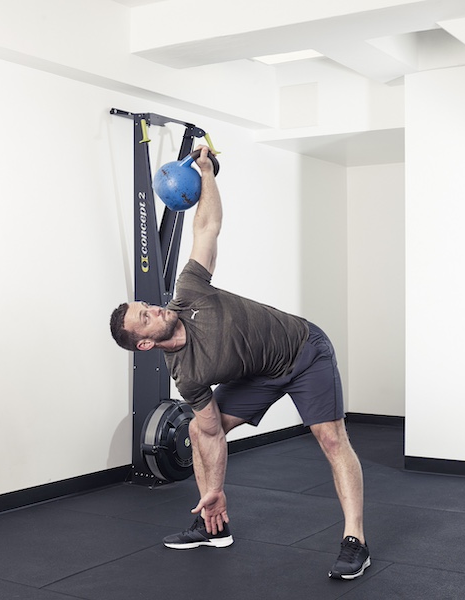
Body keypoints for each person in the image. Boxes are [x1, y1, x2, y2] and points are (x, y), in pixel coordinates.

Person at [110, 146, 370, 580]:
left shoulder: (189, 290)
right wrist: (213, 490)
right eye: (145, 317)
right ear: (144, 345)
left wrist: (208, 173)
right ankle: (214, 522)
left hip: (304, 351)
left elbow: (207, 226)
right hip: (260, 376)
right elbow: (210, 433)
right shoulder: (187, 375)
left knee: (329, 438)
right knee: (197, 426)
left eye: (147, 306)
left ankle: (355, 540)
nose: (155, 309)